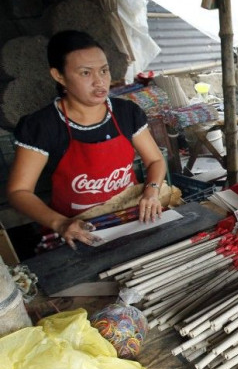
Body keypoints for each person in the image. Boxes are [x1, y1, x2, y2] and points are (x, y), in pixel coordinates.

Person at [7, 30, 166, 249]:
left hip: (130, 214)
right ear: (59, 76)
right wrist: (61, 223)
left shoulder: (126, 113)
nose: (99, 81)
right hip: (76, 228)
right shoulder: (41, 126)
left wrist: (152, 191)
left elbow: (155, 161)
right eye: (85, 73)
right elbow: (18, 192)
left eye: (104, 70)